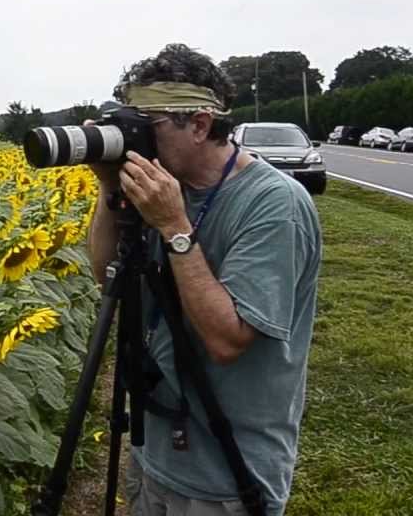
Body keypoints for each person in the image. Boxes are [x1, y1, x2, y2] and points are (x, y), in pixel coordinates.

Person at [85, 44, 321, 516]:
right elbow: (103, 272)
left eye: (146, 128)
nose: (135, 142)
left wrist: (174, 227)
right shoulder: (159, 185)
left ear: (199, 124)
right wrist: (110, 186)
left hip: (227, 472)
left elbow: (227, 340)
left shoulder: (275, 204)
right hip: (154, 449)